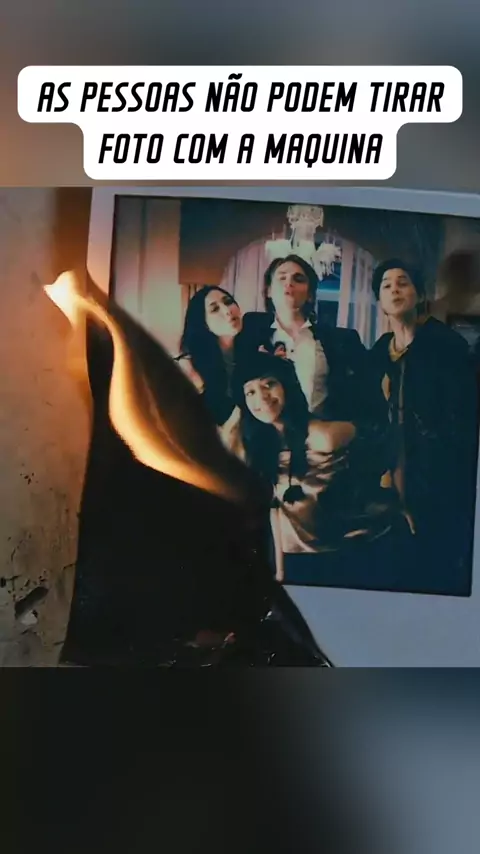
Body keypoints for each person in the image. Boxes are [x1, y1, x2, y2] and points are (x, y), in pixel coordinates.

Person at [223, 352, 398, 583]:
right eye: (250, 392)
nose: (262, 397)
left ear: (286, 386)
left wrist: (399, 495)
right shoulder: (262, 449)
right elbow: (277, 510)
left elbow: (381, 439)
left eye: (269, 384)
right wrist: (281, 572)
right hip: (299, 558)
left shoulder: (322, 436)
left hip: (348, 553)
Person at [370, 257, 479, 594]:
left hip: (437, 468)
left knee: (437, 554)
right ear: (379, 300)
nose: (395, 290)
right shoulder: (379, 352)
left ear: (418, 294)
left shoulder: (446, 344)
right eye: (386, 285)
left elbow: (462, 414)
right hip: (393, 465)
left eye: (403, 283)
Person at [242, 255, 388, 456]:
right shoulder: (249, 334)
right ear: (268, 291)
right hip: (268, 447)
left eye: (298, 279)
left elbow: (369, 398)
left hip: (323, 446)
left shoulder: (341, 340)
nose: (289, 283)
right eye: (282, 277)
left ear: (310, 295)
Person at [176, 285, 248, 426]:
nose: (227, 310)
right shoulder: (191, 365)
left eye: (228, 302)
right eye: (215, 309)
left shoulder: (252, 347)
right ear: (204, 323)